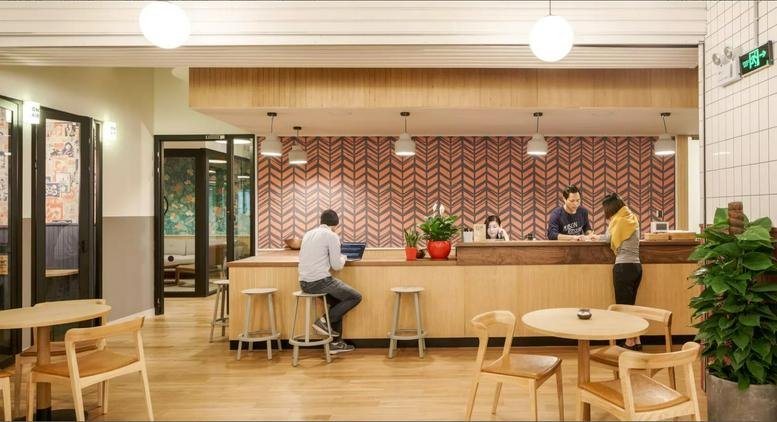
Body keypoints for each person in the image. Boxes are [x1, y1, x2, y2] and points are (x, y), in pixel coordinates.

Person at [298, 209, 362, 354]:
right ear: (336, 224)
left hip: (304, 283)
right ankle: (323, 322)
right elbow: (337, 266)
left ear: (321, 221)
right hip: (320, 282)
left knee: (339, 303)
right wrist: (344, 257)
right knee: (355, 296)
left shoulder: (308, 234)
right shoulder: (331, 235)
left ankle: (335, 343)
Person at [596, 192, 642, 350]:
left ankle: (629, 342)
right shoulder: (632, 217)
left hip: (623, 267)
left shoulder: (618, 221)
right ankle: (636, 340)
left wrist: (594, 237)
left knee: (623, 307)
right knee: (631, 306)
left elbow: (608, 238)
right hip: (636, 267)